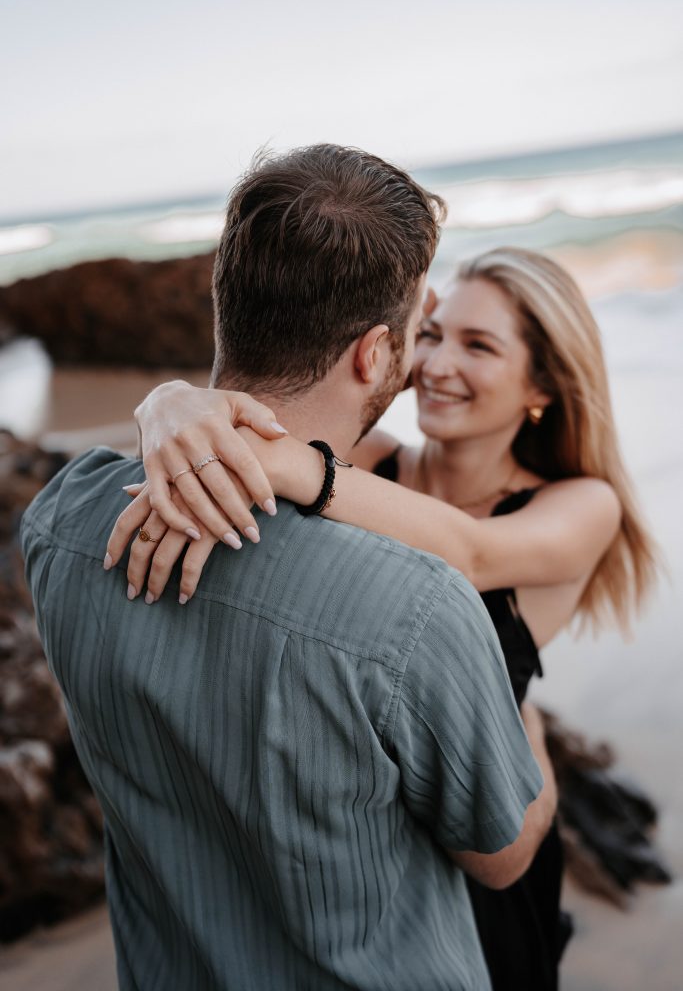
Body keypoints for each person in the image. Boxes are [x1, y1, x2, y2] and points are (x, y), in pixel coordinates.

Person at [21, 146, 557, 991]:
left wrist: (166, 400)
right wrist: (529, 733)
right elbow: (500, 855)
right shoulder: (414, 606)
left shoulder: (59, 521)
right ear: (375, 354)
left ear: (227, 300)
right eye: (421, 330)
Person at [110, 247, 658, 990]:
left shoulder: (579, 503)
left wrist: (296, 467)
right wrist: (168, 403)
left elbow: (468, 554)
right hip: (346, 836)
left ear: (542, 384)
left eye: (478, 345)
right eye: (429, 333)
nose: (434, 363)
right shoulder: (368, 461)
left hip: (482, 838)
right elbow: (215, 428)